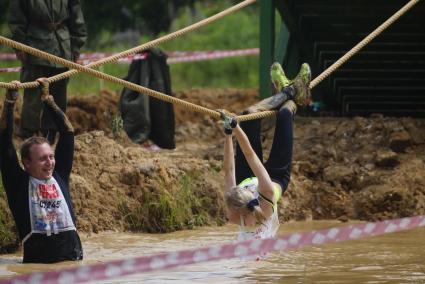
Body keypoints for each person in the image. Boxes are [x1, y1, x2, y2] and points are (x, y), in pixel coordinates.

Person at [221, 62, 311, 240]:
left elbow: (229, 170)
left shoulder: (232, 214)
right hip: (276, 177)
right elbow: (250, 156)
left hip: (248, 175)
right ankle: (292, 93)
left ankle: (286, 91)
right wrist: (236, 129)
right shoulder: (266, 198)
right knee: (285, 115)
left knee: (249, 114)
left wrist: (229, 133)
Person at [0, 79, 83, 263]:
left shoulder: (59, 175)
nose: (50, 162)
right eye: (43, 158)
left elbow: (67, 133)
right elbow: (4, 140)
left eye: (51, 156)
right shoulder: (18, 184)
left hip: (73, 263)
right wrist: (10, 103)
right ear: (27, 163)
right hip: (39, 270)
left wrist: (48, 101)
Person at [8, 0, 87, 143]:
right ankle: (28, 136)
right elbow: (16, 19)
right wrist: (19, 45)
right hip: (34, 47)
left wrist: (76, 46)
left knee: (58, 95)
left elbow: (76, 17)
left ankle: (51, 133)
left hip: (62, 47)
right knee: (33, 94)